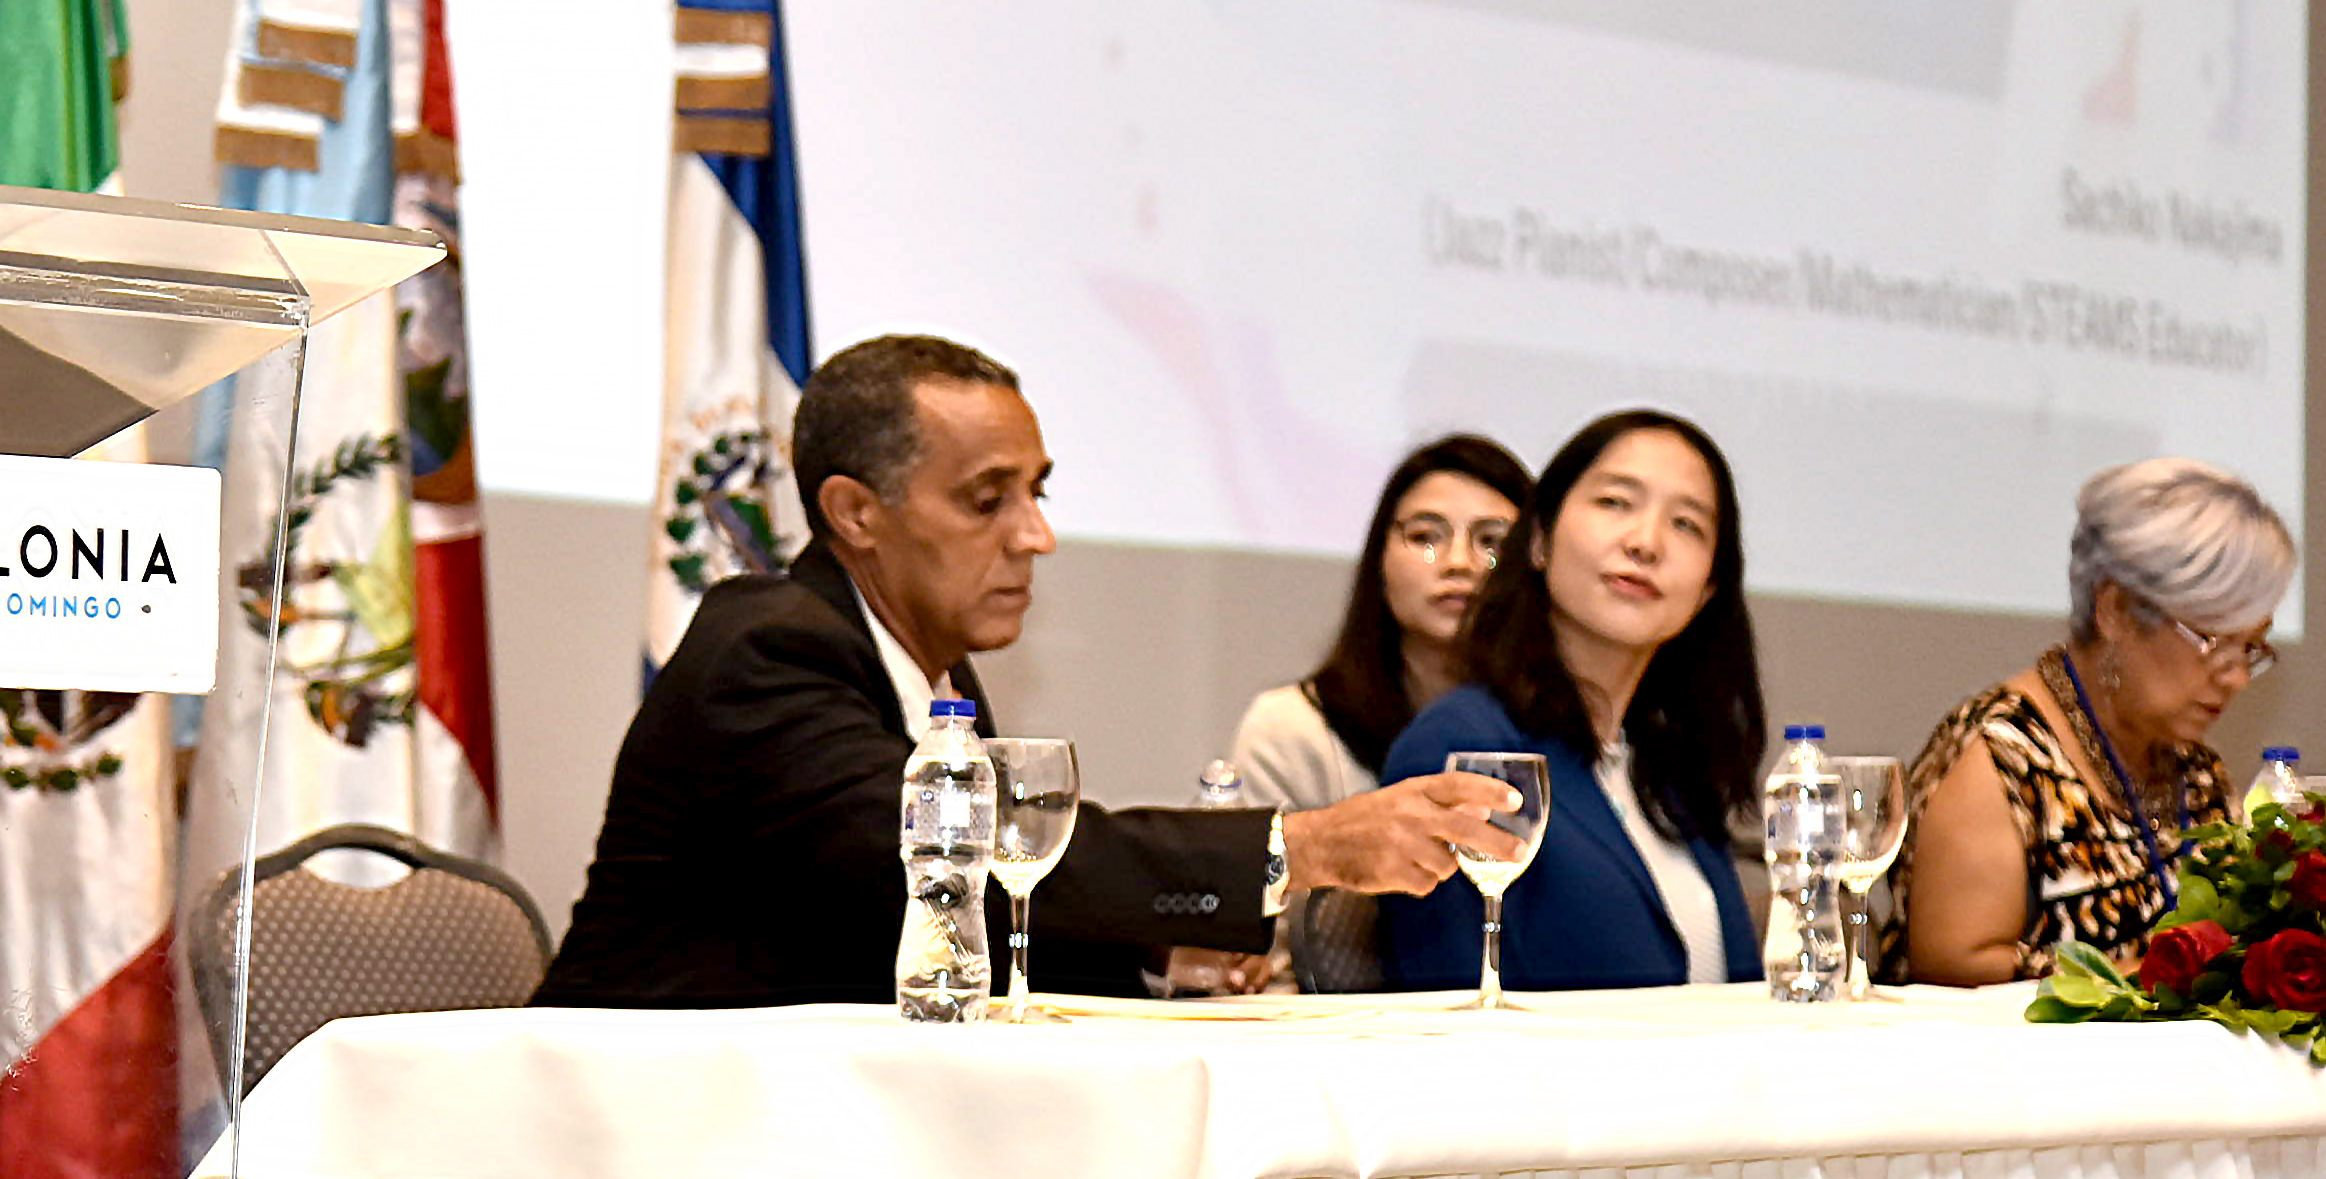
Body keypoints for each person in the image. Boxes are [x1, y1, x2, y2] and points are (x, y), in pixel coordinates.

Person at [534, 335, 1518, 1007]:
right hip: (626, 1158)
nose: (1035, 535)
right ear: (855, 512)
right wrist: (1301, 845)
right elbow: (958, 856)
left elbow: (963, 910)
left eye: (1036, 492)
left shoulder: (931, 662)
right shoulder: (769, 651)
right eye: (985, 499)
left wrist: (1151, 949)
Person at [1375, 410, 1765, 991]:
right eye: (1615, 503)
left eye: (1687, 525)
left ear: (1708, 589)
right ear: (1537, 541)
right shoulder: (1464, 748)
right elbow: (1450, 1018)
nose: (1645, 542)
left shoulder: (1669, 769)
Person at [1889, 459, 2293, 986]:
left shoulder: (2198, 772)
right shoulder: (2001, 758)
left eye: (2253, 646)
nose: (2237, 676)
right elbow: (1952, 965)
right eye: (2214, 639)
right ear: (2116, 610)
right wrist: (2136, 978)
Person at [1207, 435, 1532, 991]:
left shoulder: (1549, 735)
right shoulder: (1293, 729)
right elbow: (1255, 950)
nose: (1459, 563)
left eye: (1492, 542)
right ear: (1379, 560)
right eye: (1426, 537)